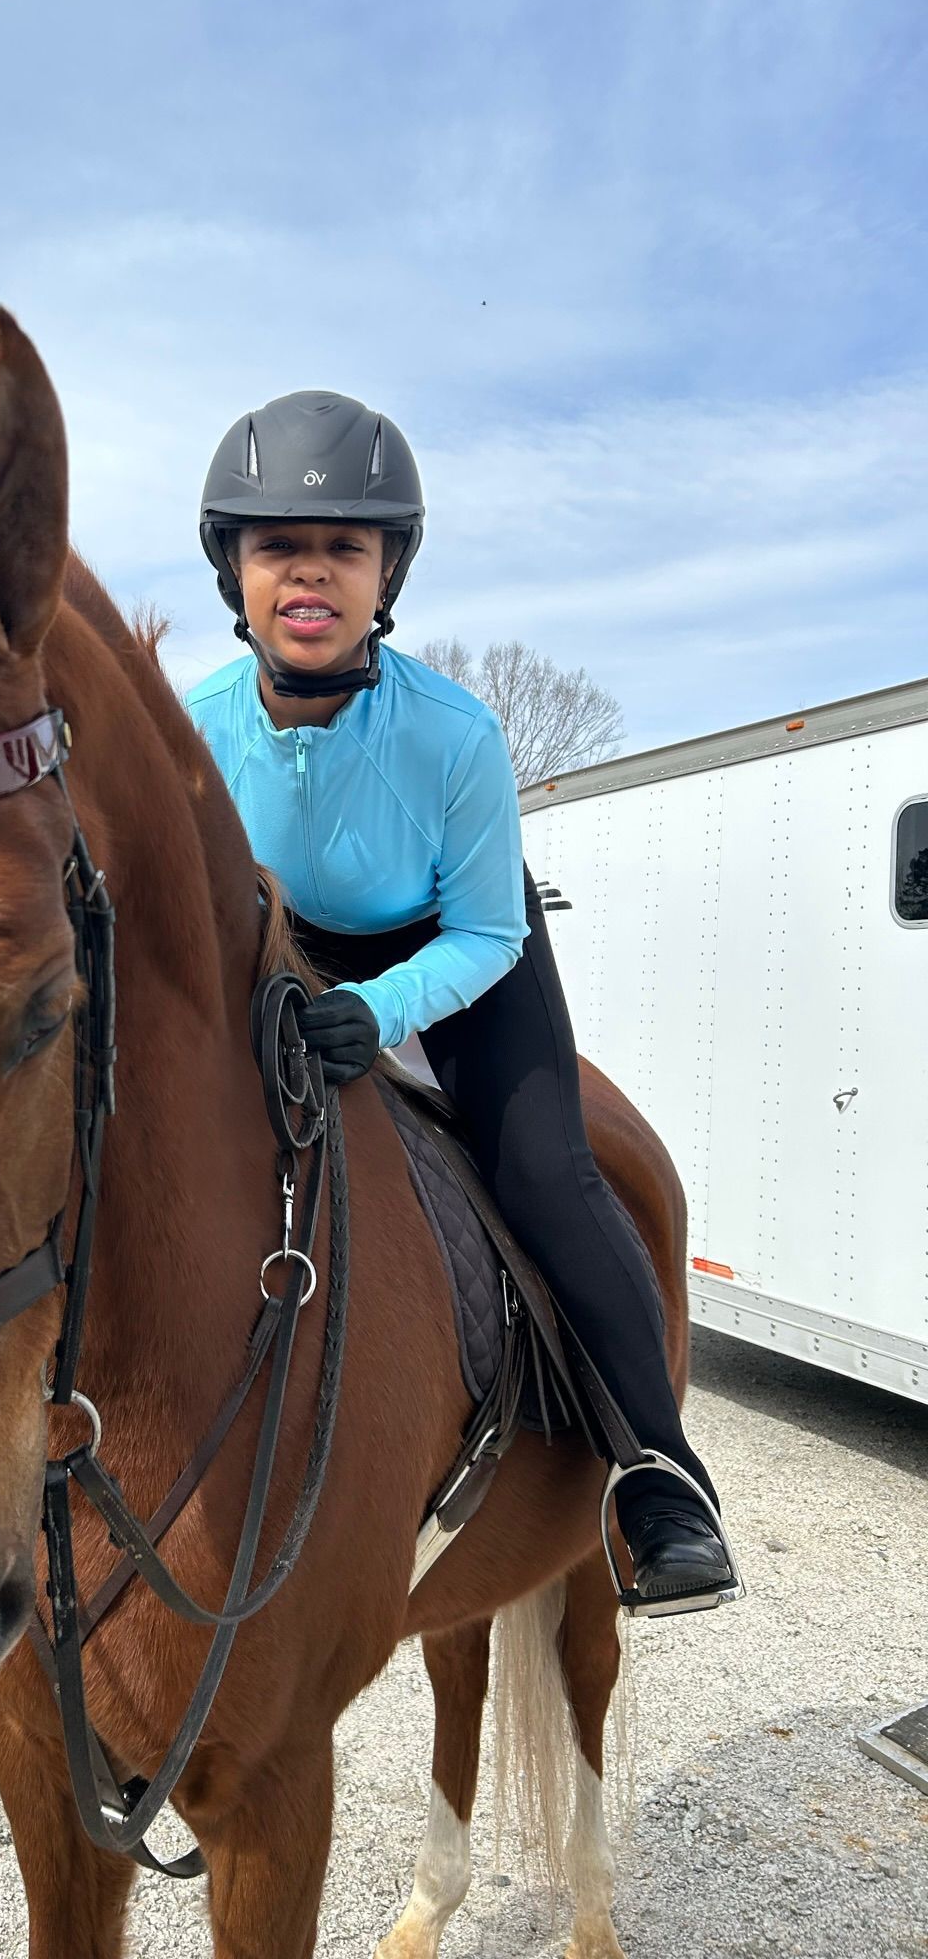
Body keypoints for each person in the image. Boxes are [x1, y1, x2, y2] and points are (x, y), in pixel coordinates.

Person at [184, 390, 738, 1611]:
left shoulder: (456, 730)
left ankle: (660, 1475)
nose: (311, 573)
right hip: (283, 955)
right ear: (237, 569)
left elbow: (489, 925)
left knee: (548, 1169)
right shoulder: (194, 727)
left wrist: (379, 1012)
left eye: (345, 547)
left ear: (390, 572)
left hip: (459, 952)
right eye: (279, 547)